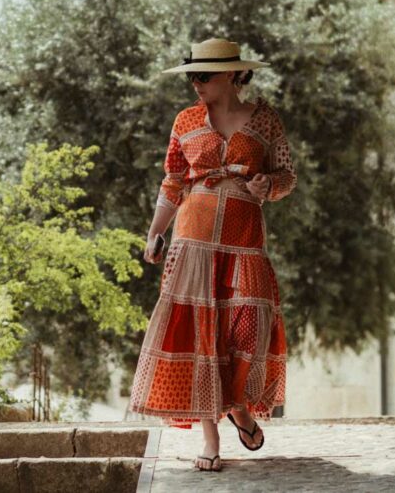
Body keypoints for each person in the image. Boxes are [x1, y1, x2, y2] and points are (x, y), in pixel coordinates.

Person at [127, 37, 296, 472]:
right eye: (192, 76)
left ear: (231, 74)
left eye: (203, 76)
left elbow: (286, 176)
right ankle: (210, 438)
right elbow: (172, 182)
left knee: (250, 325)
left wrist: (267, 187)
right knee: (199, 333)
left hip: (244, 236)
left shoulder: (266, 121)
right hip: (194, 235)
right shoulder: (184, 122)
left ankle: (237, 401)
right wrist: (153, 234)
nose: (195, 84)